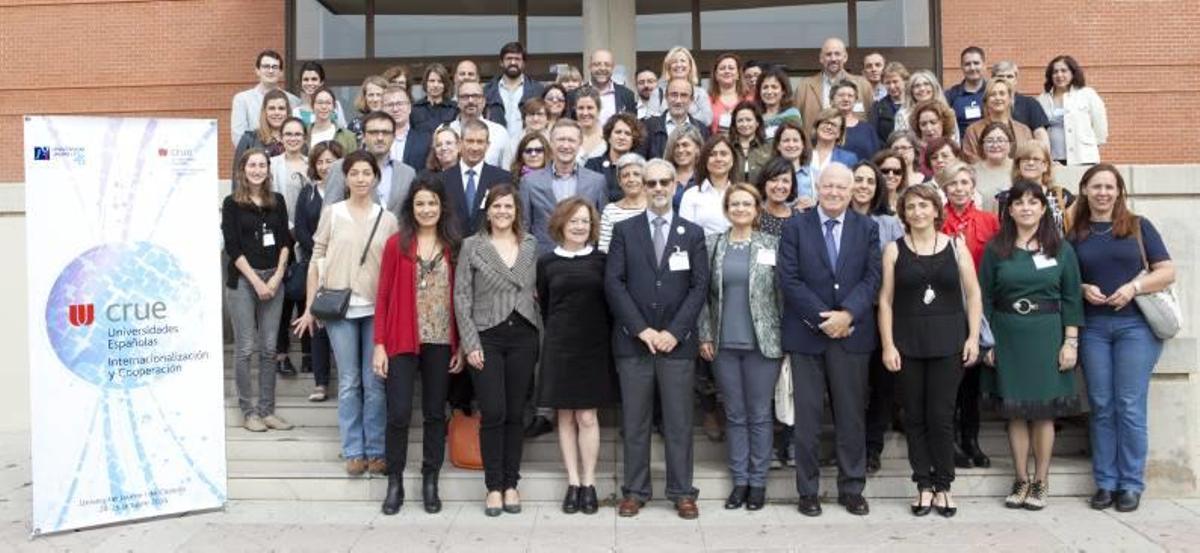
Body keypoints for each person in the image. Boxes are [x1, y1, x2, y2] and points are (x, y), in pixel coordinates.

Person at [606, 158, 710, 519]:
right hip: (634, 343)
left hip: (677, 346)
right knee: (635, 423)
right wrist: (642, 329)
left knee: (679, 423)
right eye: (651, 183)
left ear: (674, 185)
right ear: (642, 186)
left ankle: (682, 492)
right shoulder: (625, 230)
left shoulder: (692, 233)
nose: (658, 188)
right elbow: (613, 283)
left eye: (665, 182)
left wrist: (673, 332)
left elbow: (699, 287)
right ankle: (635, 491)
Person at [1068, 164, 1175, 513]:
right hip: (1094, 329)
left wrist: (1134, 287)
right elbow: (1065, 280)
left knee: (1129, 404)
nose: (1103, 193)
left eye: (1109, 187)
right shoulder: (1076, 235)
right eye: (1096, 186)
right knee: (1101, 405)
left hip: (1135, 328)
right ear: (1085, 190)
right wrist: (1082, 288)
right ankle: (1106, 482)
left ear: (1119, 192)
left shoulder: (1139, 227)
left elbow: (1167, 271)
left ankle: (1130, 483)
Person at [777, 163, 881, 517]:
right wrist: (825, 320)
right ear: (817, 188)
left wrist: (847, 314)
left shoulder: (867, 228)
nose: (834, 192)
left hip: (852, 335)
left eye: (841, 187)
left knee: (851, 417)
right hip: (807, 336)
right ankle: (807, 492)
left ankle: (852, 488)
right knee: (807, 420)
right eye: (828, 186)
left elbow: (872, 277)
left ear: (852, 192)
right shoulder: (795, 227)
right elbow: (789, 279)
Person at [979, 178, 1083, 511]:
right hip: (1007, 335)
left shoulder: (1060, 249)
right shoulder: (996, 249)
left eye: (1032, 202)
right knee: (1015, 413)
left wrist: (1070, 342)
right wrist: (986, 343)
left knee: (1043, 413)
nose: (1026, 208)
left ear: (1042, 208)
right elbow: (984, 298)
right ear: (1009, 210)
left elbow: (1072, 298)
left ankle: (1041, 480)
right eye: (1019, 202)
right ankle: (1020, 478)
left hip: (1047, 335)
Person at [879, 183, 982, 518]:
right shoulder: (893, 250)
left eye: (924, 205)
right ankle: (923, 484)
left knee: (941, 416)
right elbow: (885, 301)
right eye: (911, 207)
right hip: (907, 344)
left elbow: (974, 294)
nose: (918, 212)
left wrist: (973, 338)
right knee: (914, 417)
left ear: (937, 210)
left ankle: (944, 485)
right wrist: (888, 344)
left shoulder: (956, 246)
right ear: (904, 214)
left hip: (948, 343)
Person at [293, 150, 400, 475]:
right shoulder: (333, 213)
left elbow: (394, 269)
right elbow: (316, 259)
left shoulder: (388, 219)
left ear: (375, 178)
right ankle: (353, 450)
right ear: (346, 178)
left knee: (375, 381)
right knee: (350, 381)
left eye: (367, 173)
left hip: (376, 310)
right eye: (355, 173)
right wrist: (310, 307)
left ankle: (376, 450)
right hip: (339, 310)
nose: (361, 179)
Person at [372, 176, 462, 515]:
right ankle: (394, 481)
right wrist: (379, 344)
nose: (426, 209)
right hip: (402, 339)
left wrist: (461, 345)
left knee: (435, 413)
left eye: (432, 203)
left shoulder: (454, 245)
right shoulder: (397, 244)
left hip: (441, 340)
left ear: (442, 207)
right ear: (411, 208)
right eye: (420, 203)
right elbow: (383, 296)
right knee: (398, 413)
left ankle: (430, 480)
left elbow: (462, 298)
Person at [454, 184, 541, 516]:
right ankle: (493, 486)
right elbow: (462, 296)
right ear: (487, 211)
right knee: (493, 412)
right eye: (497, 206)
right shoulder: (472, 246)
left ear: (516, 211)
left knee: (516, 413)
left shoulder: (530, 244)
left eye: (508, 206)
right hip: (486, 335)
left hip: (524, 335)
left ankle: (511, 484)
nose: (503, 212)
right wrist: (470, 343)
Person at [698, 183, 783, 511]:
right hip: (723, 343)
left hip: (763, 343)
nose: (741, 209)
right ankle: (740, 481)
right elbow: (702, 296)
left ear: (757, 209)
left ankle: (758, 482)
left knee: (759, 414)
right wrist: (705, 335)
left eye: (747, 204)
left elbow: (781, 294)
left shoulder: (771, 244)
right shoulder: (713, 245)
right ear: (726, 209)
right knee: (734, 414)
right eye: (735, 204)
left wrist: (785, 338)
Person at [536, 198, 617, 515]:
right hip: (559, 345)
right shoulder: (547, 262)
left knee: (587, 417)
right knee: (566, 417)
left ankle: (589, 482)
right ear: (561, 224)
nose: (580, 226)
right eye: (574, 221)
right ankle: (572, 482)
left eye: (585, 221)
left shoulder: (602, 260)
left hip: (593, 345)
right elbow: (545, 305)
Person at [222, 149, 294, 432]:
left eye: (262, 165)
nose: (257, 170)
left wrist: (277, 277)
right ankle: (248, 412)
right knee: (245, 348)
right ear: (243, 169)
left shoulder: (278, 201)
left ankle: (267, 411)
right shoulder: (231, 203)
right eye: (252, 165)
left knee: (269, 348)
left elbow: (285, 242)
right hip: (243, 281)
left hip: (274, 278)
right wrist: (256, 281)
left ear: (268, 170)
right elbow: (232, 247)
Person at [938, 162, 1001, 469]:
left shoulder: (989, 221)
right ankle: (948, 441)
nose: (959, 188)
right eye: (953, 183)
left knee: (972, 378)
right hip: (945, 306)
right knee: (949, 378)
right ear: (944, 188)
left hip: (978, 306)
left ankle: (971, 440)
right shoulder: (936, 220)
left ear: (973, 187)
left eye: (964, 182)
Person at [850, 161, 904, 475]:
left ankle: (872, 447)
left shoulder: (890, 223)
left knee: (882, 384)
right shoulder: (836, 218)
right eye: (858, 179)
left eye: (870, 181)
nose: (864, 186)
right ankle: (850, 444)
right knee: (851, 386)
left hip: (881, 311)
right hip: (848, 313)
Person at [293, 141, 342, 402]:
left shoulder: (347, 190)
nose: (325, 166)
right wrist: (319, 252)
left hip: (343, 267)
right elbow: (300, 228)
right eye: (320, 161)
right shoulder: (308, 193)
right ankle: (320, 382)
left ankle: (346, 380)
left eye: (330, 161)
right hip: (316, 265)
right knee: (318, 322)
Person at [520, 119, 608, 254]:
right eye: (561, 139)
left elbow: (601, 226)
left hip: (585, 259)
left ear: (580, 143)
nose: (566, 145)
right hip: (543, 259)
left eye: (571, 140)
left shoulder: (596, 181)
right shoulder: (530, 182)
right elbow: (523, 226)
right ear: (551, 142)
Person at [270, 118, 309, 377]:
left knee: (306, 295)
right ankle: (281, 354)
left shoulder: (311, 164)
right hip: (279, 238)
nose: (293, 138)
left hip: (307, 241)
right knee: (282, 299)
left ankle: (308, 354)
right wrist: (290, 228)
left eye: (297, 134)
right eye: (288, 134)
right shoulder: (272, 165)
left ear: (304, 137)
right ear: (281, 137)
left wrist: (302, 232)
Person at [323, 111, 415, 219]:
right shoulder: (341, 167)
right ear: (363, 136)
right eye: (374, 132)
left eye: (386, 132)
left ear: (393, 136)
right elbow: (328, 214)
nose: (380, 138)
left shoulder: (407, 173)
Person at [440, 119, 513, 237]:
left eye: (480, 142)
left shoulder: (503, 179)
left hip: (489, 245)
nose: (475, 147)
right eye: (470, 141)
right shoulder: (442, 180)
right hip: (452, 245)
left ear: (487, 145)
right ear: (460, 144)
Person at [1038, 55, 1109, 166]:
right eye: (1055, 72)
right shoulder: (1042, 99)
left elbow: (1100, 125)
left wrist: (1090, 147)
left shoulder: (1087, 94)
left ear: (1073, 73)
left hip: (1083, 157)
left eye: (1064, 71)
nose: (1059, 75)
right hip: (1053, 159)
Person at [795, 38, 874, 133]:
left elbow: (872, 120)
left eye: (837, 54)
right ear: (821, 58)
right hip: (815, 142)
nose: (833, 59)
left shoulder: (862, 85)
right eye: (828, 54)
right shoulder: (805, 87)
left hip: (853, 142)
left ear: (845, 57)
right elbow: (795, 123)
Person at [999, 142, 1075, 233]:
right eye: (1025, 159)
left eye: (1036, 159)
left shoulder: (1062, 196)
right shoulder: (1006, 197)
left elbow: (1073, 231)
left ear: (1045, 166)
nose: (1030, 163)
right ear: (1018, 165)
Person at [231, 49, 300, 145]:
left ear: (281, 72)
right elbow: (238, 137)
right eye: (266, 66)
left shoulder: (294, 101)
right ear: (257, 71)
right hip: (253, 153)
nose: (270, 71)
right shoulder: (242, 100)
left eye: (275, 67)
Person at [962, 79, 1035, 163]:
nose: (997, 98)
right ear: (986, 100)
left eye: (1002, 93)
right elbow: (971, 161)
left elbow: (1030, 157)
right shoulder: (973, 131)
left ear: (1010, 99)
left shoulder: (1024, 130)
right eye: (993, 94)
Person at [484, 42, 546, 137]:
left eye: (517, 59)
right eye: (509, 58)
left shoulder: (538, 90)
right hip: (496, 142)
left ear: (523, 63)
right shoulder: (488, 91)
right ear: (501, 62)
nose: (513, 62)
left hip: (528, 143)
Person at [679, 135, 737, 236]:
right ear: (705, 160)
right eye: (712, 154)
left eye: (723, 154)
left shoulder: (742, 194)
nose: (718, 159)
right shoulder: (691, 195)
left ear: (732, 160)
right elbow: (685, 235)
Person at [644, 77, 712, 160]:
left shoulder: (702, 130)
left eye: (684, 95)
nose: (678, 101)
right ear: (666, 97)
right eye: (674, 95)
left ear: (691, 99)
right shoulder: (648, 127)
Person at [646, 46, 714, 126]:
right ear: (668, 67)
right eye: (674, 62)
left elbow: (707, 119)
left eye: (683, 61)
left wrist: (679, 121)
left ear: (690, 66)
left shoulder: (700, 93)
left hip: (691, 133)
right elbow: (650, 119)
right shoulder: (658, 93)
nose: (678, 65)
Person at [989, 61, 1051, 146]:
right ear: (993, 80)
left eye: (1009, 76)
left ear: (1016, 80)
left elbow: (1041, 136)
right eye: (1000, 76)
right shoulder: (987, 104)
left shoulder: (1030, 104)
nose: (1005, 80)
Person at [585, 113, 644, 201]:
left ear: (633, 140)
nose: (622, 137)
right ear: (609, 136)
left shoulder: (641, 168)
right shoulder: (593, 165)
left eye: (627, 134)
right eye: (618, 132)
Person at [233, 90, 290, 180]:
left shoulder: (296, 141)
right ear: (265, 112)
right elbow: (237, 177)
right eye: (272, 108)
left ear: (287, 112)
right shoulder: (249, 140)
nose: (277, 112)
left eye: (281, 108)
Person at [452, 80, 510, 167]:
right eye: (465, 96)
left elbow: (507, 170)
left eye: (476, 96)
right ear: (458, 102)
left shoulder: (500, 133)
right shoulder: (446, 130)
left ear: (484, 101)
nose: (470, 101)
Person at [598, 153, 648, 252]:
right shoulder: (610, 210)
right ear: (619, 181)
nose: (631, 179)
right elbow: (604, 249)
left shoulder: (656, 208)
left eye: (636, 174)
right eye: (625, 176)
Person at [581, 48, 637, 126]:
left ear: (613, 67)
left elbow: (632, 126)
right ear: (590, 67)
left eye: (607, 65)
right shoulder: (575, 95)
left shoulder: (627, 95)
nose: (602, 68)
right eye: (597, 64)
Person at [382, 85, 432, 172]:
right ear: (382, 109)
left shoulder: (426, 139)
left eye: (400, 104)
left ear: (409, 107)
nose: (395, 109)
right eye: (390, 105)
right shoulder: (375, 139)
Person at [831, 80, 881, 162]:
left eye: (850, 96)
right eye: (841, 95)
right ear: (832, 99)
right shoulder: (825, 127)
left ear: (855, 100)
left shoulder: (868, 129)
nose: (846, 99)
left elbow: (876, 158)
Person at [945, 46, 988, 138]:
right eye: (967, 64)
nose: (972, 68)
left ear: (984, 65)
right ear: (962, 67)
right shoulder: (950, 95)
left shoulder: (993, 92)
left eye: (976, 63)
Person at [972, 122, 1016, 211]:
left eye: (1000, 140)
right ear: (982, 145)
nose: (995, 145)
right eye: (989, 141)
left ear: (1010, 144)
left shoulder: (1020, 167)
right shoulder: (971, 171)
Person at [810, 108, 859, 184]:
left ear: (839, 133)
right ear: (817, 127)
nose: (829, 127)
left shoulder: (848, 159)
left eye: (834, 125)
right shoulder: (803, 154)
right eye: (826, 122)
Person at [774, 121, 816, 210]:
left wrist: (815, 204)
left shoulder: (815, 175)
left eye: (795, 140)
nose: (791, 145)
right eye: (786, 140)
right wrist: (793, 207)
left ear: (803, 145)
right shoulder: (770, 175)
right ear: (778, 145)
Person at [500, 99, 551, 170]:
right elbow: (506, 168)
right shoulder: (513, 142)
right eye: (531, 114)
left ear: (548, 118)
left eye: (540, 114)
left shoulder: (554, 141)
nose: (535, 119)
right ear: (524, 118)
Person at [294, 61, 346, 128]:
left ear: (321, 82)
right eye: (306, 79)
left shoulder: (335, 106)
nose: (310, 83)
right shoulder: (296, 112)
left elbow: (343, 130)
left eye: (314, 79)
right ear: (301, 83)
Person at [730, 101, 773, 183]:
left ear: (757, 123)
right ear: (735, 124)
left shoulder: (769, 148)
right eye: (740, 121)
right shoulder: (728, 147)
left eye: (748, 120)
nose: (744, 124)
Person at [664, 125, 705, 210]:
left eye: (685, 145)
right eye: (676, 146)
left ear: (697, 148)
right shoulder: (664, 177)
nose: (680, 150)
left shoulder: (705, 177)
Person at [755, 156, 798, 236]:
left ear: (792, 185)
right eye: (774, 180)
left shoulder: (799, 217)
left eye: (785, 181)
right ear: (764, 183)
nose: (779, 186)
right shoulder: (754, 215)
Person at [308, 87, 358, 153]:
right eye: (320, 103)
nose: (324, 107)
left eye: (328, 103)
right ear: (312, 106)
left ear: (334, 107)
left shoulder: (348, 136)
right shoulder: (304, 133)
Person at [757, 66, 803, 139]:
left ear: (783, 91)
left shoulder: (792, 114)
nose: (769, 92)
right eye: (765, 87)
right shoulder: (755, 117)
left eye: (774, 87)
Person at [411, 63, 459, 132]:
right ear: (426, 83)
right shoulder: (415, 109)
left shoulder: (454, 109)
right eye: (432, 81)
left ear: (445, 84)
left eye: (440, 81)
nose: (435, 85)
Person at [871, 61, 910, 142]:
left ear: (905, 81)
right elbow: (874, 135)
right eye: (887, 83)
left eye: (895, 82)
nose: (892, 86)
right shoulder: (878, 107)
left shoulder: (915, 103)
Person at [708, 53, 746, 134]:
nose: (727, 71)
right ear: (716, 75)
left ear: (738, 74)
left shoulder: (748, 100)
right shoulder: (707, 101)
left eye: (731, 68)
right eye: (722, 68)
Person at [347, 75, 388, 143]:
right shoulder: (355, 125)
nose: (375, 99)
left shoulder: (395, 122)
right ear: (364, 97)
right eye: (371, 95)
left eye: (379, 95)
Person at [572, 86, 607, 162]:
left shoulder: (608, 136)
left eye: (590, 108)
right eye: (581, 108)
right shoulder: (569, 134)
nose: (585, 113)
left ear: (598, 109)